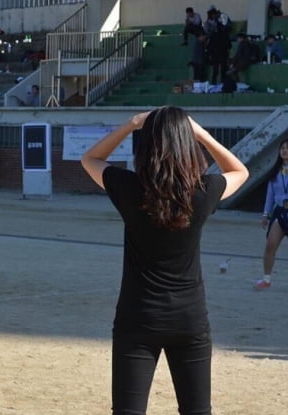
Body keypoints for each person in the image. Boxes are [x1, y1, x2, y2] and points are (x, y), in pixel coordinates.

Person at [80, 106, 248, 415]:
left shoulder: (129, 187)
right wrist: (202, 134)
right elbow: (240, 171)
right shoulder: (203, 191)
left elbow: (89, 159)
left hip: (137, 318)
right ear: (187, 142)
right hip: (189, 319)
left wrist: (131, 124)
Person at [257, 139, 288, 290]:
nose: (284, 151)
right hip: (280, 212)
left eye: (287, 148)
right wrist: (265, 214)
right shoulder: (276, 171)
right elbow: (270, 195)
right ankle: (266, 279)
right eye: (282, 148)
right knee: (270, 245)